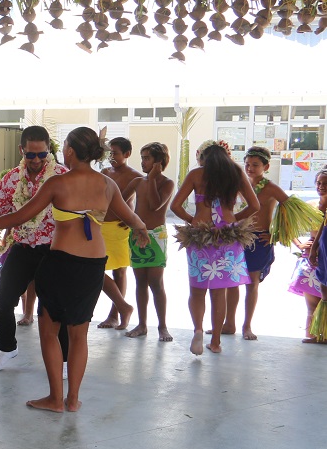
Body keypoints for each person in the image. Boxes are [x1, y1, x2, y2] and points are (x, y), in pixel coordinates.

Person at [0, 128, 150, 413]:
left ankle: (56, 398)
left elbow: (22, 215)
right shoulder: (107, 185)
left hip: (61, 262)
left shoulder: (58, 183)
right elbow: (131, 217)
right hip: (93, 265)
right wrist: (141, 230)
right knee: (80, 334)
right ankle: (73, 399)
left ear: (68, 151)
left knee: (49, 332)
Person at [0, 126, 68, 371]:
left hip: (54, 250)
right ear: (22, 151)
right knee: (2, 302)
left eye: (42, 154)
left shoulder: (61, 176)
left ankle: (63, 360)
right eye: (31, 155)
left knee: (54, 308)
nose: (37, 160)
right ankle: (7, 349)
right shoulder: (11, 179)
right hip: (23, 247)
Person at [169, 140, 260, 355]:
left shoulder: (196, 174)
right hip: (228, 238)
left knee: (197, 289)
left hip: (200, 235)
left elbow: (175, 206)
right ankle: (216, 342)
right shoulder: (236, 172)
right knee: (220, 292)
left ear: (204, 158)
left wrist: (192, 219)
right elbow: (255, 205)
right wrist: (233, 219)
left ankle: (198, 330)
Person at [226, 147, 322, 340]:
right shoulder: (240, 184)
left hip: (260, 240)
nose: (250, 168)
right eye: (247, 164)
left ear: (266, 166)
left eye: (255, 165)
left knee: (251, 283)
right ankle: (229, 323)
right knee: (232, 283)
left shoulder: (271, 188)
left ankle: (247, 326)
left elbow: (291, 214)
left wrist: (278, 236)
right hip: (238, 238)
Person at [122, 142, 175, 341]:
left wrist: (152, 178)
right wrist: (128, 221)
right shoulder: (137, 182)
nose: (143, 162)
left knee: (156, 282)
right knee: (140, 282)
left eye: (147, 158)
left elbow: (154, 205)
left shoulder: (167, 183)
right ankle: (142, 324)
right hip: (137, 235)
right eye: (142, 157)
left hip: (156, 236)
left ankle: (162, 326)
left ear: (158, 162)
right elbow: (119, 201)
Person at [97, 137, 142, 329]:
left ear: (127, 154)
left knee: (120, 272)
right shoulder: (105, 172)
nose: (111, 157)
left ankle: (115, 313)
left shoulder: (135, 175)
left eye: (115, 153)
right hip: (100, 226)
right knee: (95, 269)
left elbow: (140, 202)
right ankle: (122, 307)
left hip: (120, 228)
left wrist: (134, 219)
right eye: (109, 153)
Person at [293, 169, 327, 342]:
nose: (321, 187)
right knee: (311, 303)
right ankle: (312, 334)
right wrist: (299, 244)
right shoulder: (311, 205)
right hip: (311, 258)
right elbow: (287, 224)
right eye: (318, 183)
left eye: (325, 183)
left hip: (325, 254)